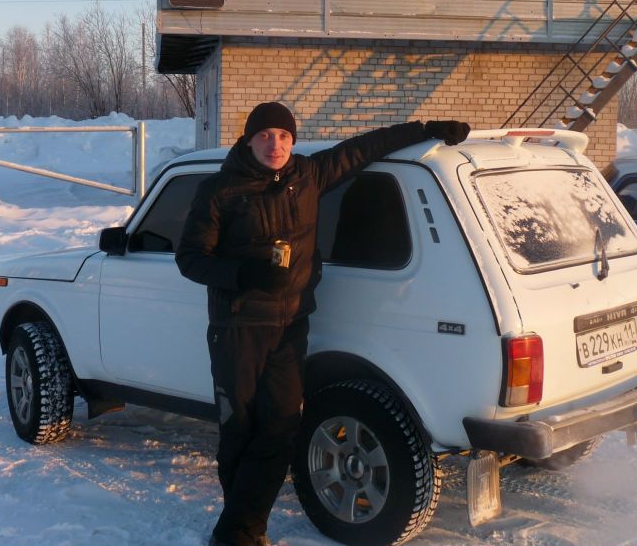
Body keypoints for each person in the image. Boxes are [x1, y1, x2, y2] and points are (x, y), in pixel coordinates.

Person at [175, 102, 470, 546]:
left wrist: (426, 128)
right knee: (240, 428)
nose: (275, 145)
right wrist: (244, 274)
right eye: (265, 136)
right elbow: (191, 258)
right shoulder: (220, 190)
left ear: (293, 142)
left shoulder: (307, 176)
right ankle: (244, 528)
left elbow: (363, 149)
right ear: (249, 139)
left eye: (284, 137)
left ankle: (238, 531)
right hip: (239, 328)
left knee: (280, 428)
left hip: (291, 325)